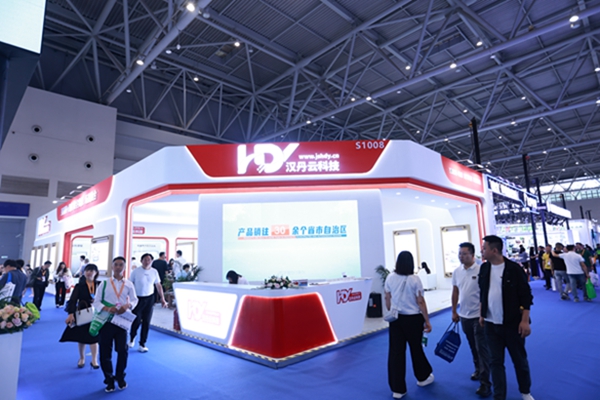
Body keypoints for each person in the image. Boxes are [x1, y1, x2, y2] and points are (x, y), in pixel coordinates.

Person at [479, 235, 534, 400]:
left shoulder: (514, 269)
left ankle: (525, 391)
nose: (482, 251)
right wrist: (482, 314)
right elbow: (483, 293)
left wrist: (525, 320)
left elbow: (526, 296)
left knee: (519, 360)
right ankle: (499, 396)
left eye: (484, 248)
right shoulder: (484, 268)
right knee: (495, 362)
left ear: (494, 250)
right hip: (490, 324)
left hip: (512, 324)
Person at [384, 251, 434, 399]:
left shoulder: (390, 277)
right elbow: (420, 301)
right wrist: (427, 320)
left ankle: (398, 389)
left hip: (396, 320)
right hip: (413, 319)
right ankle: (423, 377)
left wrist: (392, 310)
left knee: (396, 353)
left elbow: (387, 298)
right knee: (416, 349)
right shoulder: (415, 279)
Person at [451, 242, 491, 397]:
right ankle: (478, 369)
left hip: (479, 316)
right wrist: (454, 311)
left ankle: (485, 384)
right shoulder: (457, 272)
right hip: (464, 316)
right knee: (473, 346)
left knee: (482, 348)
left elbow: (486, 294)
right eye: (460, 254)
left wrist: (483, 314)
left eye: (464, 254)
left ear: (473, 255)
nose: (461, 256)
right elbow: (455, 292)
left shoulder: (481, 270)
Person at [93, 256, 138, 392]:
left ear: (124, 267)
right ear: (112, 267)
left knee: (122, 351)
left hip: (122, 321)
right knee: (105, 352)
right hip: (106, 321)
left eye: (121, 265)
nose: (118, 267)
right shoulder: (104, 284)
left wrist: (128, 305)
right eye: (116, 265)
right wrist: (107, 308)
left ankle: (120, 376)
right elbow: (96, 302)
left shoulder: (129, 284)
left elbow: (135, 300)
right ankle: (109, 379)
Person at [60, 263, 101, 369]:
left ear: (96, 273)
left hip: (97, 314)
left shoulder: (100, 285)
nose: (89, 273)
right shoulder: (79, 286)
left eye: (91, 270)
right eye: (87, 270)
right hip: (82, 313)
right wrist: (71, 313)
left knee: (94, 336)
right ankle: (82, 358)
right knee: (81, 337)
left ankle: (94, 359)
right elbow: (73, 300)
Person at [129, 253, 167, 353]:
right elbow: (130, 285)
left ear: (151, 261)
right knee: (136, 321)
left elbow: (158, 285)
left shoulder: (154, 272)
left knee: (146, 322)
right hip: (137, 299)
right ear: (141, 261)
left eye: (149, 260)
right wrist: (128, 298)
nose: (147, 262)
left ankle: (142, 344)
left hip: (150, 299)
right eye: (145, 260)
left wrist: (162, 298)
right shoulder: (135, 271)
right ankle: (132, 338)